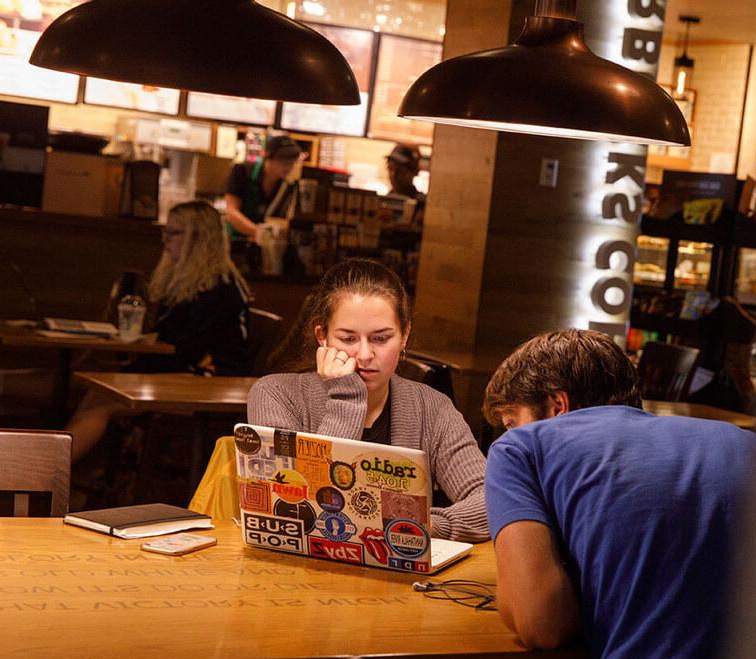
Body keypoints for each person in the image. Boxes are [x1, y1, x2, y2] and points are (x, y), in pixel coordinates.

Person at [476, 329, 756, 659]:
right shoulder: (744, 442)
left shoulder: (522, 448)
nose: (508, 432)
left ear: (557, 406)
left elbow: (542, 623)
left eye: (512, 419)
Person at [246, 258, 488, 542]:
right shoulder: (274, 394)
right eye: (348, 339)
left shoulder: (432, 408)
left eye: (381, 339)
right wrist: (346, 397)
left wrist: (421, 525)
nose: (364, 355)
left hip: (401, 579)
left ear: (405, 335)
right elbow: (296, 508)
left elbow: (491, 500)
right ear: (322, 337)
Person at [67, 200, 252, 463]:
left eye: (174, 233)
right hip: (184, 374)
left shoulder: (220, 287)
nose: (165, 239)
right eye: (165, 231)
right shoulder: (189, 282)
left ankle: (47, 477)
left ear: (199, 239)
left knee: (103, 403)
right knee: (98, 394)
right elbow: (171, 341)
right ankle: (52, 472)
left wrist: (134, 368)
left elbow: (186, 348)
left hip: (212, 382)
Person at [223, 135, 302, 268]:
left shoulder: (287, 186)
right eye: (283, 160)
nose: (288, 166)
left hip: (266, 253)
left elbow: (279, 220)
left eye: (292, 161)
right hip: (235, 248)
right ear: (268, 157)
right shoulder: (242, 172)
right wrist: (258, 232)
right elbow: (231, 212)